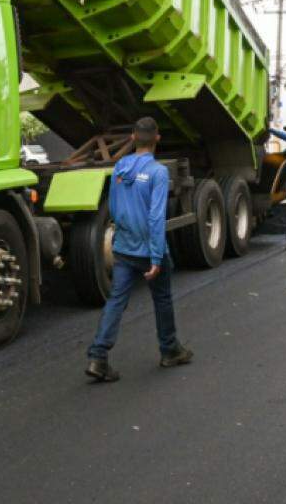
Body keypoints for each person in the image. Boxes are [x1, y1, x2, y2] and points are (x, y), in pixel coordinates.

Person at [86, 117, 193, 382]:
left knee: (116, 301)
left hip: (123, 248)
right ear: (157, 138)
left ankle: (98, 357)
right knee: (162, 298)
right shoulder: (158, 172)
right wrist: (156, 256)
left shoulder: (120, 167)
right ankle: (170, 350)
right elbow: (156, 217)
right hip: (148, 250)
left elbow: (112, 206)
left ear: (133, 137)